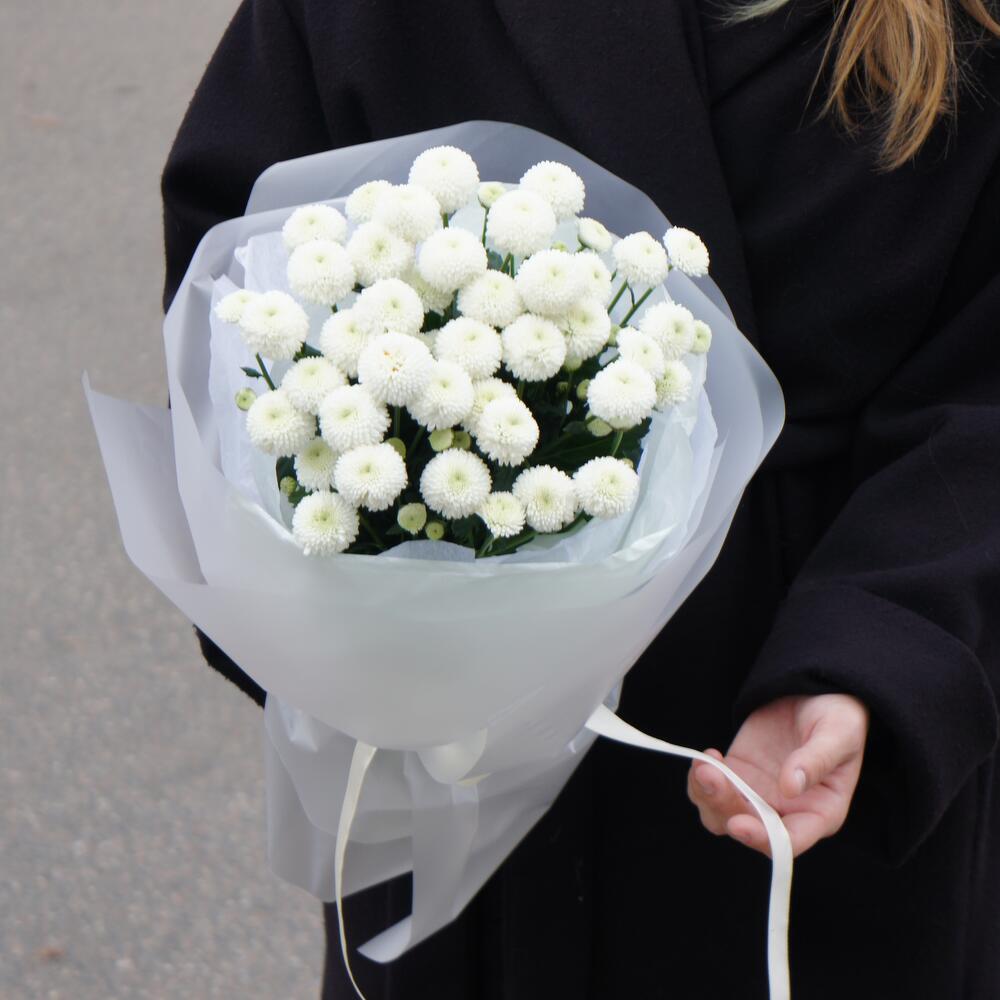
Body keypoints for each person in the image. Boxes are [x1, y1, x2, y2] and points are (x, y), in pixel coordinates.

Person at [161, 0, 1000, 996]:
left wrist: (884, 646)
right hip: (467, 753)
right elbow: (244, 295)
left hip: (817, 748)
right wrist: (345, 610)